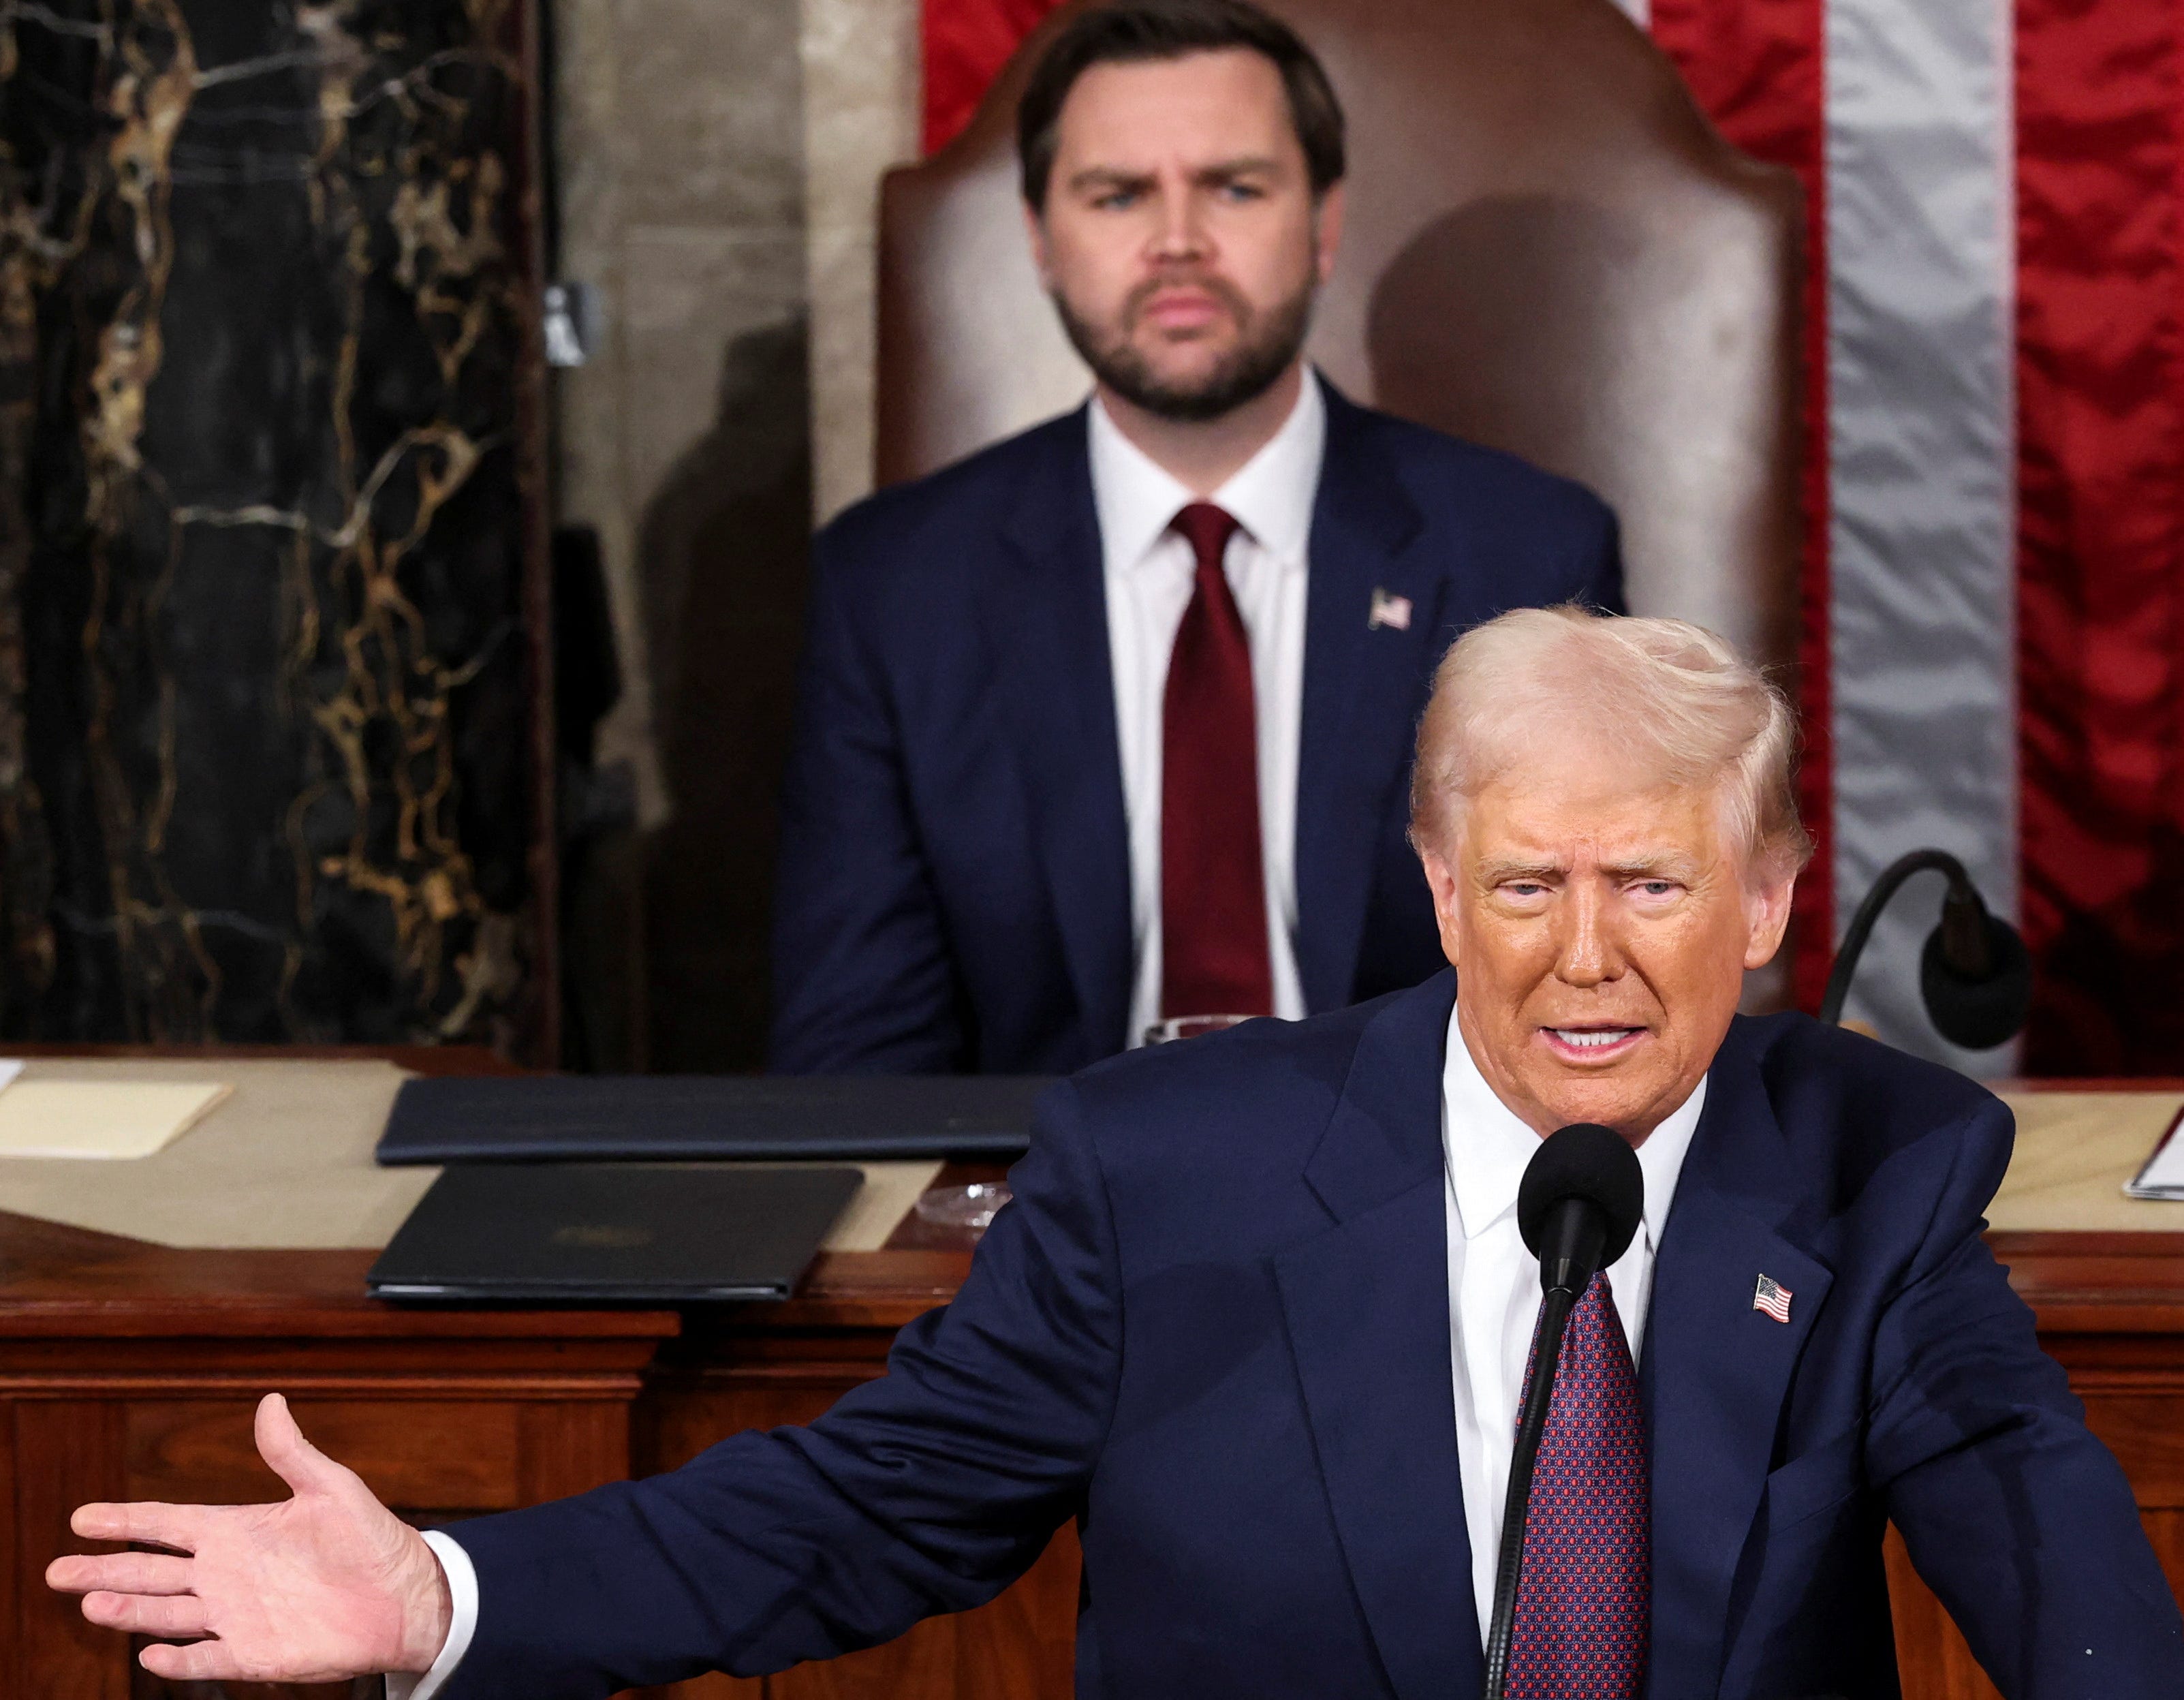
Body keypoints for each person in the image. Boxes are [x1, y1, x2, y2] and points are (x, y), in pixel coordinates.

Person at [49, 607, 2184, 1698]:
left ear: (1768, 899)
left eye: (1650, 885)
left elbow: (2045, 1548)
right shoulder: (1172, 1169)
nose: (1583, 962)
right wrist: (443, 1589)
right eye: (1523, 887)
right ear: (1435, 887)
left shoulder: (1871, 1166)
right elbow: (865, 1508)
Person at [768, 0, 1623, 1073]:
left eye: (1233, 187)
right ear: (1039, 239)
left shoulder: (1526, 555)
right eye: (1117, 195)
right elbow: (856, 1063)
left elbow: (1583, 998)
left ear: (1321, 225)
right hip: (1039, 1205)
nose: (1176, 241)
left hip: (1419, 1199)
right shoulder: (894, 586)